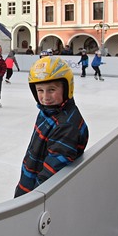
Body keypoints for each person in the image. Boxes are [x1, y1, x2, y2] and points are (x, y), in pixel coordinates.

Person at [14, 57, 89, 197]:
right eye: (40, 90)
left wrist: (31, 199)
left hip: (36, 194)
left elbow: (52, 171)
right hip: (29, 180)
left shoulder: (66, 125)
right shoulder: (48, 111)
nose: (45, 96)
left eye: (52, 90)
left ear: (67, 88)